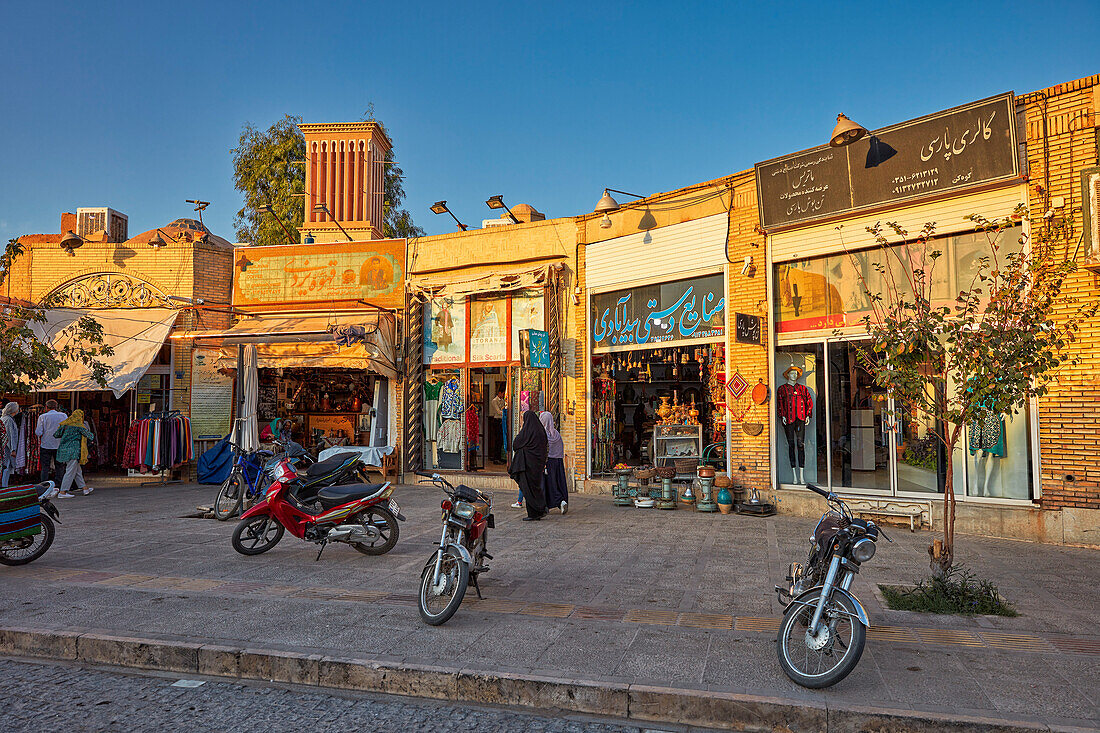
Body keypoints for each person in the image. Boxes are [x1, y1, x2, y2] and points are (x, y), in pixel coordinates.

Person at [509, 409, 548, 521]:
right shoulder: (541, 432)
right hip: (537, 466)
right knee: (536, 488)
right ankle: (540, 509)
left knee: (528, 489)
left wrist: (522, 428)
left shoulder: (526, 432)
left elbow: (516, 444)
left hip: (527, 466)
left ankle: (533, 513)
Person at [54, 409, 94, 498]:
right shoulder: (79, 426)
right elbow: (90, 435)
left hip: (63, 450)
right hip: (74, 450)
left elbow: (56, 435)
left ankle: (84, 488)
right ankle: (63, 491)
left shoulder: (64, 424)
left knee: (77, 470)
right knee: (70, 471)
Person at [539, 411, 568, 515]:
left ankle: (559, 501)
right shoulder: (556, 434)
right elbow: (560, 448)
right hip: (558, 462)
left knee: (549, 485)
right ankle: (550, 504)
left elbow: (543, 450)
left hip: (548, 462)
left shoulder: (543, 434)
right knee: (557, 482)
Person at [35, 399, 67, 486]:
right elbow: (66, 429)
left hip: (46, 444)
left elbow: (38, 432)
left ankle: (44, 486)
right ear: (56, 407)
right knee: (59, 466)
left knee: (45, 467)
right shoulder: (63, 416)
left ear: (46, 407)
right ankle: (59, 485)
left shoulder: (42, 417)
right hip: (59, 444)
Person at [1, 402, 19, 488]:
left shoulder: (5, 418)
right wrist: (13, 449)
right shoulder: (8, 420)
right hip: (7, 448)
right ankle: (4, 486)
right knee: (6, 466)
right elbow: (10, 435)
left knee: (5, 466)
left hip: (5, 447)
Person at [488, 385, 506, 465]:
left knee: (501, 440)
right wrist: (506, 413)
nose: (503, 395)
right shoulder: (494, 401)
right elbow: (499, 412)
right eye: (503, 393)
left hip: (501, 421)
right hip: (496, 421)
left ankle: (499, 457)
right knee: (497, 440)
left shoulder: (502, 401)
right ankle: (496, 458)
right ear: (499, 392)